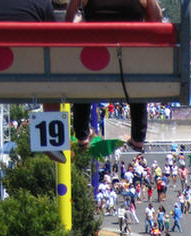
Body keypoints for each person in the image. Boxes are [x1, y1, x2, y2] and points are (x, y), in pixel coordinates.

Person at [66, 0, 163, 152]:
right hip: (130, 68)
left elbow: (68, 22)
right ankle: (138, 137)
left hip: (95, 67)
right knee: (136, 71)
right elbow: (155, 20)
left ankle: (82, 135)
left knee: (82, 75)